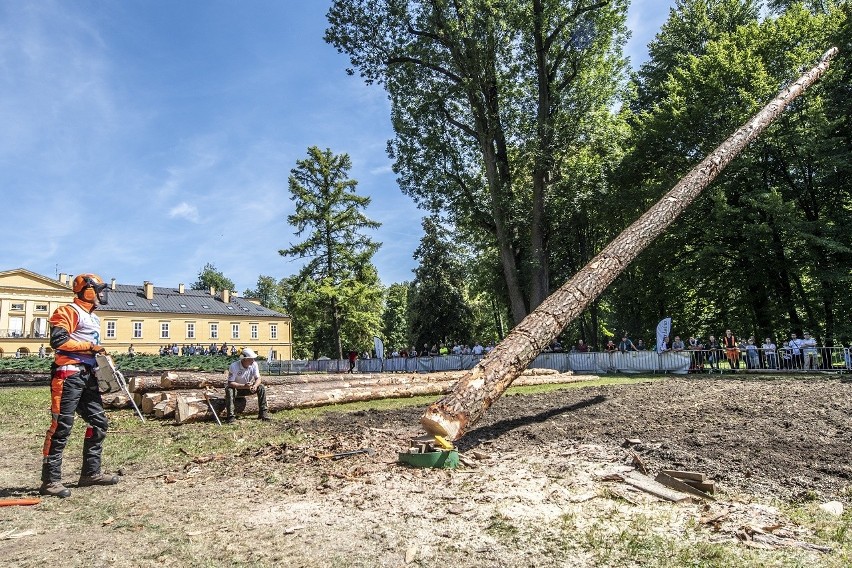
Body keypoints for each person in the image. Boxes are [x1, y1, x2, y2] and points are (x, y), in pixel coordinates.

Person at [41, 273, 118, 498]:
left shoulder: (94, 317)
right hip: (68, 374)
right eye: (99, 290)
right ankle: (50, 480)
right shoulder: (68, 311)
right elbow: (59, 340)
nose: (102, 294)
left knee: (99, 422)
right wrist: (90, 348)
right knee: (61, 425)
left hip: (88, 375)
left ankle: (90, 473)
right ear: (88, 290)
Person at [224, 348, 270, 424]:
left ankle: (263, 413)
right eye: (250, 359)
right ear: (244, 359)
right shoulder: (234, 366)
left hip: (248, 388)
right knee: (229, 389)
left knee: (261, 387)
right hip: (237, 389)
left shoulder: (254, 364)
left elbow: (258, 378)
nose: (253, 361)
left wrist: (255, 385)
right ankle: (231, 417)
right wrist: (243, 386)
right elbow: (230, 383)